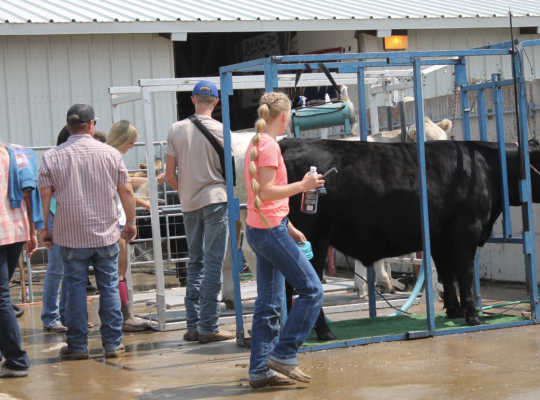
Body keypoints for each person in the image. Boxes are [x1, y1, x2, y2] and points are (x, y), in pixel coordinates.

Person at [38, 104, 137, 360]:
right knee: (109, 286)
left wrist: (44, 228)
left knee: (74, 289)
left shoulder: (51, 156)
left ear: (68, 126)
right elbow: (126, 190)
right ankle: (112, 344)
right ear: (91, 124)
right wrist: (131, 222)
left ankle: (77, 345)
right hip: (105, 233)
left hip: (70, 236)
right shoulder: (111, 154)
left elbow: (45, 194)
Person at [244, 92, 324, 388]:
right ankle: (284, 354)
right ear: (284, 116)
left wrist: (288, 225)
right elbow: (265, 192)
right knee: (312, 290)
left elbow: (260, 196)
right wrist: (303, 185)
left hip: (264, 227)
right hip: (268, 231)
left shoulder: (258, 143)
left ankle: (260, 371)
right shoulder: (268, 146)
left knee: (269, 304)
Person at [165, 81, 234, 344]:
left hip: (189, 203)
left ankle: (193, 326)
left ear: (193, 100)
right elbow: (232, 171)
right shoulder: (222, 130)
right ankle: (209, 327)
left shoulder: (176, 129)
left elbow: (169, 175)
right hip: (216, 199)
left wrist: (186, 192)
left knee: (195, 263)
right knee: (213, 264)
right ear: (216, 102)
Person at [107, 120, 165, 331]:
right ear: (122, 139)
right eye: (131, 142)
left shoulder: (105, 156)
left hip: (110, 221)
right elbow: (124, 188)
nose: (131, 147)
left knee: (117, 270)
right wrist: (139, 210)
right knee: (119, 271)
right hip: (117, 221)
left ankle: (121, 316)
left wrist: (154, 180)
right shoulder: (113, 157)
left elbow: (126, 181)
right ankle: (124, 317)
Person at [41, 126, 95, 333]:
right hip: (56, 215)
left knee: (70, 270)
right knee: (56, 269)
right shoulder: (56, 158)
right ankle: (50, 316)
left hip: (69, 216)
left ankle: (68, 316)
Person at [0, 140, 41, 378]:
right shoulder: (14, 152)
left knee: (1, 298)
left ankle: (16, 361)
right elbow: (28, 192)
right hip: (16, 229)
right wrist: (32, 232)